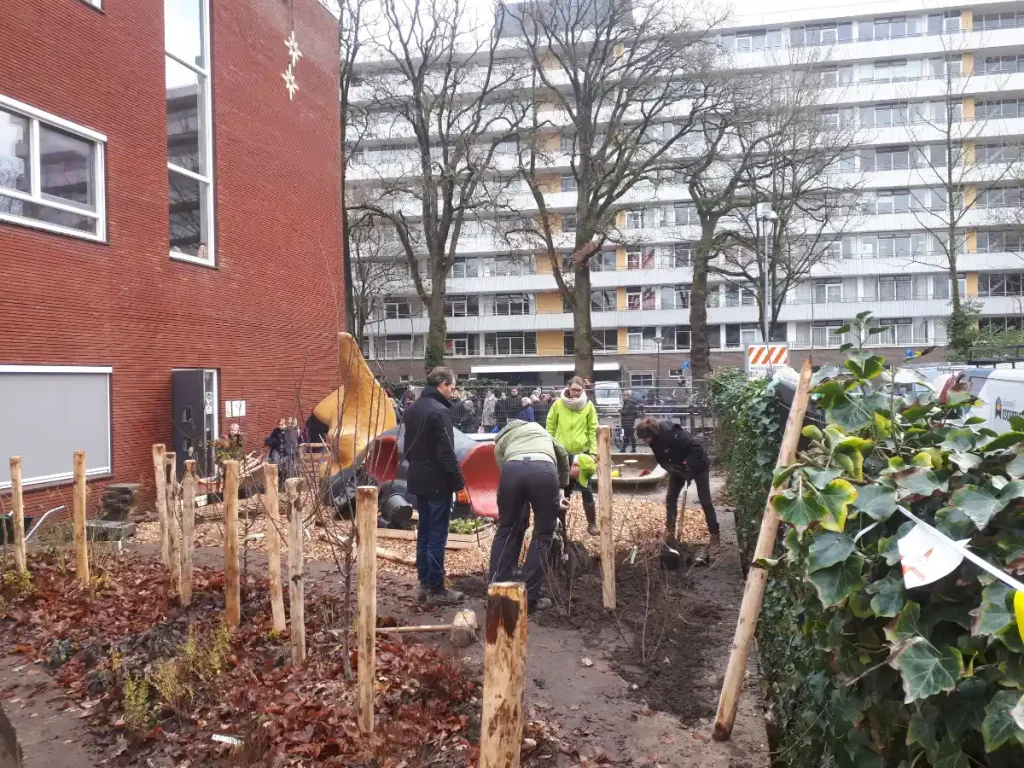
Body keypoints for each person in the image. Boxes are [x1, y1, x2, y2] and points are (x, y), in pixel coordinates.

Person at [489, 418, 570, 614]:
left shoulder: (501, 442)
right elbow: (562, 454)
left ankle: (497, 593)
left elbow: (504, 468)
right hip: (544, 472)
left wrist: (519, 498)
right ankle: (529, 598)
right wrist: (561, 491)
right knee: (543, 535)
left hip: (512, 472)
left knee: (506, 529)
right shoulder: (540, 432)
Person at [402, 367, 466, 605]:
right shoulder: (440, 412)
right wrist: (459, 484)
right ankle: (437, 589)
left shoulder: (413, 409)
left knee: (425, 532)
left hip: (418, 478)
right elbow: (447, 453)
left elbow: (407, 446)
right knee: (438, 535)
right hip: (438, 481)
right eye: (452, 386)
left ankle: (424, 583)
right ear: (442, 385)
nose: (453, 391)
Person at [635, 417, 720, 548]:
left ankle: (714, 535)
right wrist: (670, 468)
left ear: (651, 434)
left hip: (698, 465)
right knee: (670, 498)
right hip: (678, 468)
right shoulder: (653, 441)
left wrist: (689, 467)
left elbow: (697, 449)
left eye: (645, 439)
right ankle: (670, 534)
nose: (644, 442)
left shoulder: (672, 433)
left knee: (705, 500)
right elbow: (660, 459)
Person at [546, 376, 599, 535]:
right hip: (562, 454)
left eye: (579, 390)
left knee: (586, 489)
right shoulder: (558, 404)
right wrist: (551, 445)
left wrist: (594, 451)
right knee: (563, 489)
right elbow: (550, 425)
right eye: (573, 389)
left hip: (582, 453)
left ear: (583, 390)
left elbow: (592, 429)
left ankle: (592, 523)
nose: (576, 393)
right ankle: (560, 524)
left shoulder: (588, 406)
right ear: (568, 388)